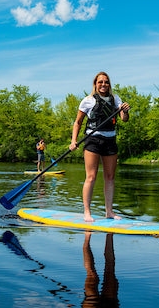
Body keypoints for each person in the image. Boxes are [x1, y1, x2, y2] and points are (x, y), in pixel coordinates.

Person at [69, 72, 130, 222]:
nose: (103, 85)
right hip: (93, 140)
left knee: (110, 177)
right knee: (91, 176)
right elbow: (78, 122)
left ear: (109, 84)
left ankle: (109, 212)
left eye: (106, 82)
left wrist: (125, 111)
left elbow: (124, 119)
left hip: (110, 140)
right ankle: (87, 212)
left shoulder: (116, 99)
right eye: (100, 82)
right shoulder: (87, 101)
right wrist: (73, 141)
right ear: (95, 84)